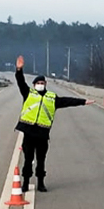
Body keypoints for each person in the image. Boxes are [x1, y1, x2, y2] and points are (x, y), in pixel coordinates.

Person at [15, 55, 94, 192]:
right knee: (28, 159)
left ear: (45, 84)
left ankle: (41, 183)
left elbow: (67, 101)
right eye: (38, 83)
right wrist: (19, 69)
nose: (40, 85)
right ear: (34, 85)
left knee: (41, 160)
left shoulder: (52, 98)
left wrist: (82, 101)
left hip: (42, 134)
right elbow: (20, 81)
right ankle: (26, 182)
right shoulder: (28, 93)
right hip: (29, 132)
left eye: (42, 83)